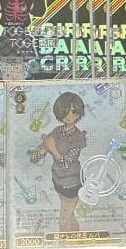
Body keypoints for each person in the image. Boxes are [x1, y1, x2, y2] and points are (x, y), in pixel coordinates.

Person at [34, 92, 87, 232]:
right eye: (65, 111)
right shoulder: (57, 131)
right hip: (57, 180)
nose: (69, 115)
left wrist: (52, 148)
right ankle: (77, 238)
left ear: (78, 113)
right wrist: (42, 149)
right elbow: (42, 150)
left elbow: (66, 164)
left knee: (63, 219)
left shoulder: (79, 137)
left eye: (73, 111)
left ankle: (63, 240)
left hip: (72, 183)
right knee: (69, 215)